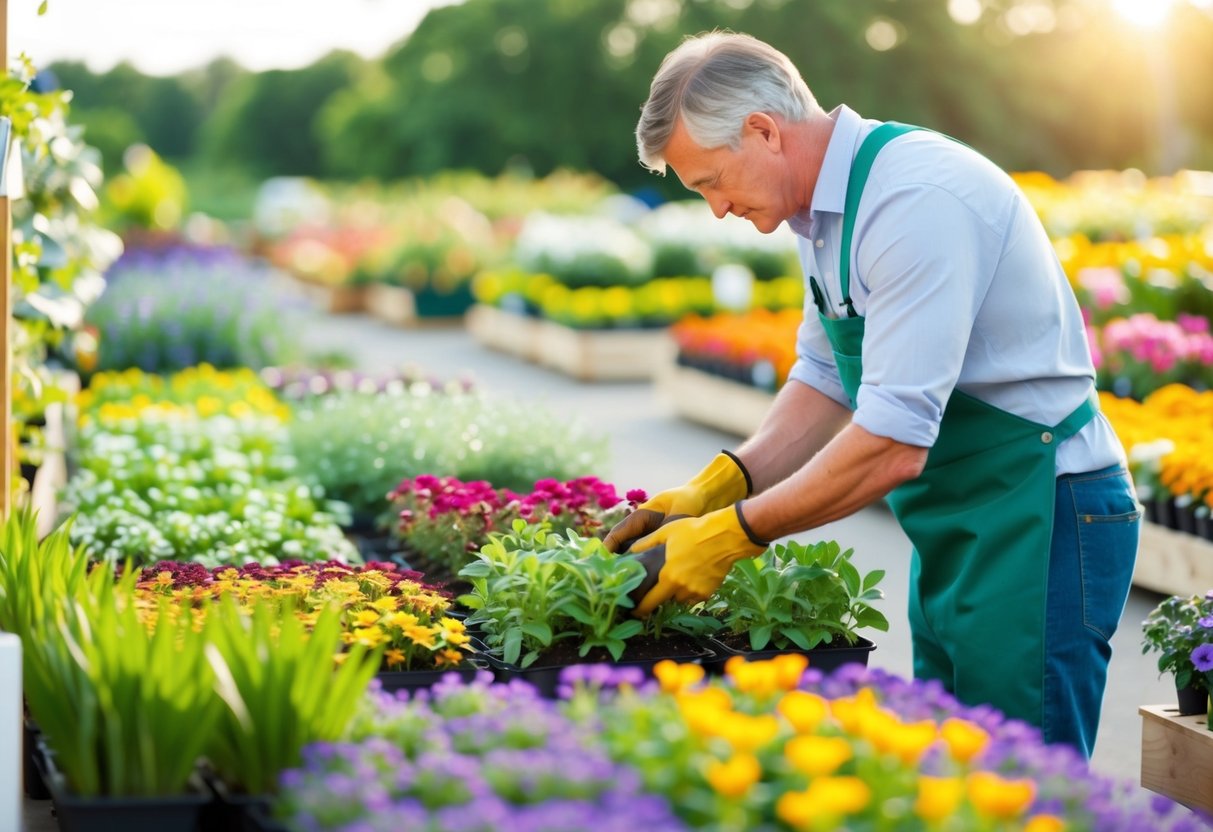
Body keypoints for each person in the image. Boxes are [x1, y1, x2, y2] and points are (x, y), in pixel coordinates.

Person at [605, 31, 1140, 758]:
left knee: (1024, 780)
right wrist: (716, 486)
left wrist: (731, 534)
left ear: (762, 131)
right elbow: (825, 375)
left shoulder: (914, 200)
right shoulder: (817, 211)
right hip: (967, 520)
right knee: (957, 769)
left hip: (1043, 514)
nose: (716, 210)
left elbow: (890, 440)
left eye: (709, 182)